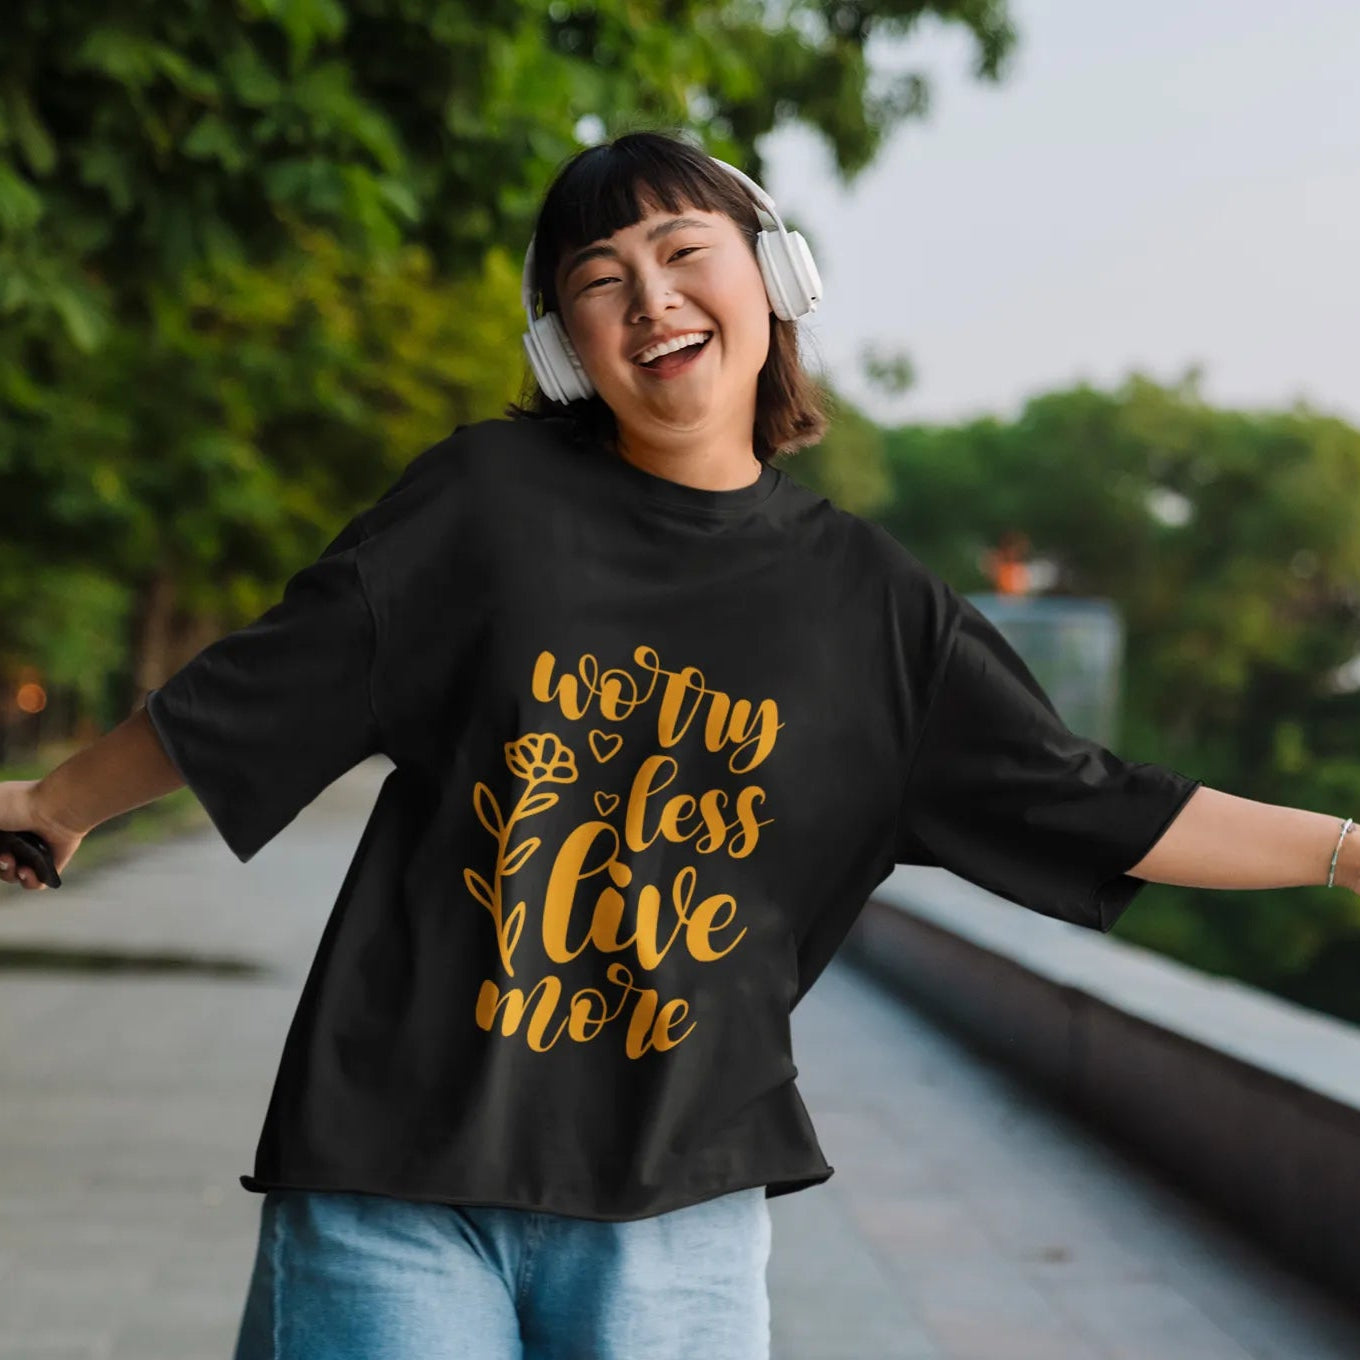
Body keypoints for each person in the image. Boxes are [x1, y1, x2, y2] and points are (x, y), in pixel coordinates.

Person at [2, 127, 1357, 1360]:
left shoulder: (880, 612)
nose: (648, 297)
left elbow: (1090, 802)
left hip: (680, 1203)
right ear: (563, 345)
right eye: (600, 276)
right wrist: (59, 802)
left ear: (774, 282)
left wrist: (1345, 850)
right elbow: (267, 685)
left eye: (680, 251)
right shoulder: (484, 502)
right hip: (394, 1172)